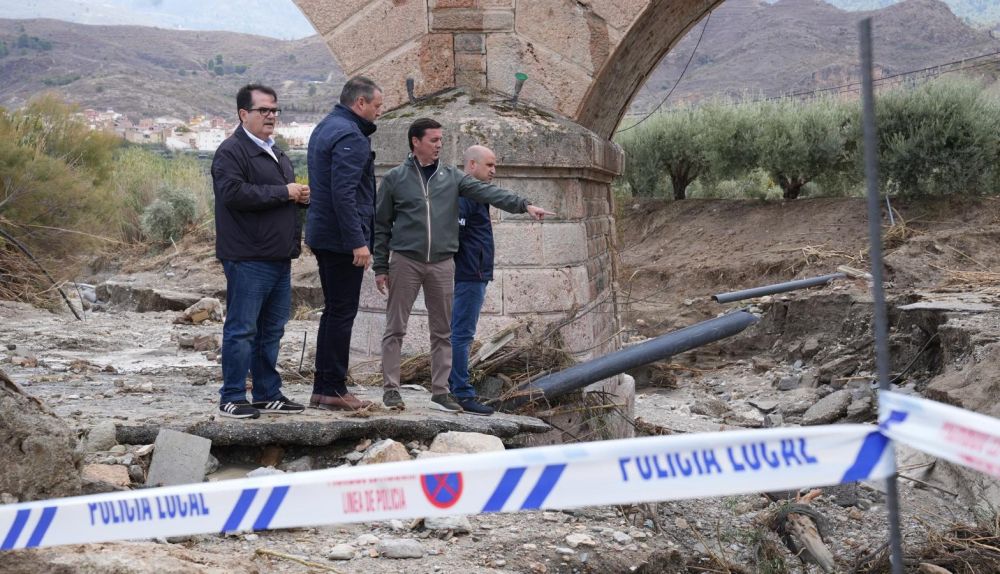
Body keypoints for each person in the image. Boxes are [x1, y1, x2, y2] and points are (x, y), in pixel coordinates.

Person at [373, 119, 554, 412]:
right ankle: (391, 390)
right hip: (406, 261)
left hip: (442, 264)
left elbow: (489, 192)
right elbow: (381, 225)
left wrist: (524, 205)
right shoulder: (395, 178)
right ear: (415, 142)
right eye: (433, 140)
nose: (439, 145)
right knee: (395, 328)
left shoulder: (452, 176)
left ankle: (441, 392)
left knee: (443, 331)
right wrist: (381, 267)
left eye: (441, 140)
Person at [212, 83, 310, 419]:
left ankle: (267, 393)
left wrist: (300, 198)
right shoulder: (231, 151)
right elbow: (233, 194)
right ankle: (232, 397)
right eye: (263, 110)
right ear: (244, 114)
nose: (271, 116)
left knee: (272, 331)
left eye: (274, 110)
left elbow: (277, 199)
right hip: (247, 257)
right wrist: (285, 192)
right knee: (242, 330)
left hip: (279, 257)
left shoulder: (276, 152)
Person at [305, 76, 384, 411]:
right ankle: (334, 389)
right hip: (341, 240)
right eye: (377, 105)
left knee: (334, 311)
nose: (380, 112)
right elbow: (344, 193)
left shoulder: (326, 126)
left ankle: (324, 389)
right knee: (342, 313)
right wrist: (358, 242)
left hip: (325, 235)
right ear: (360, 103)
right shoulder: (351, 135)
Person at [448, 145, 501, 416]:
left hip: (474, 272)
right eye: (489, 165)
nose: (493, 171)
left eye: (494, 166)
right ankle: (461, 393)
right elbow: (455, 233)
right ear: (471, 165)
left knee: (458, 331)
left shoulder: (476, 194)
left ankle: (451, 386)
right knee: (462, 333)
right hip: (469, 273)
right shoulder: (466, 194)